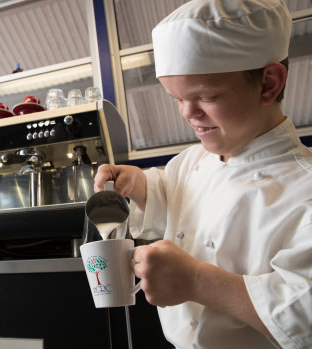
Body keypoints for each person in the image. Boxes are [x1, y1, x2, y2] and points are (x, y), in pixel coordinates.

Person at [93, 0, 311, 348]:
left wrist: (197, 281)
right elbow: (176, 192)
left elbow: (304, 313)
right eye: (175, 98)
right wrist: (140, 186)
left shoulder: (305, 189)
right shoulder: (190, 161)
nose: (187, 113)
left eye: (206, 96)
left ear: (268, 84)